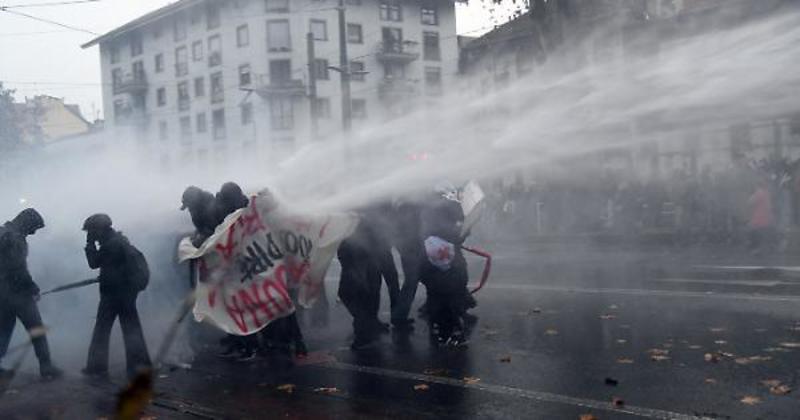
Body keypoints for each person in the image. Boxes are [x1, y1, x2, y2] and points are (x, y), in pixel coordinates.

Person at [82, 214, 152, 379]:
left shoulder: (111, 245)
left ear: (98, 229)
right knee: (131, 328)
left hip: (115, 293)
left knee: (102, 330)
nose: (90, 234)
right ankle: (139, 366)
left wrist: (89, 244)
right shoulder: (118, 241)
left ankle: (96, 367)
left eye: (91, 231)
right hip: (126, 291)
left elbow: (93, 263)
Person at [0, 209, 63, 380]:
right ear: (26, 222)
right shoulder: (15, 238)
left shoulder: (3, 232)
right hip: (18, 294)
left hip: (3, 294)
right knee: (37, 329)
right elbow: (17, 269)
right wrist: (32, 288)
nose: (34, 232)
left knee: (3, 331)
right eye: (33, 228)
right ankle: (46, 367)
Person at [419, 183, 472, 347]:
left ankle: (440, 330)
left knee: (436, 295)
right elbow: (457, 232)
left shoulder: (425, 207)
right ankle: (450, 333)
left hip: (429, 261)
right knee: (450, 296)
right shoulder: (450, 207)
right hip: (449, 264)